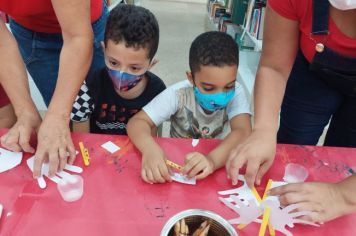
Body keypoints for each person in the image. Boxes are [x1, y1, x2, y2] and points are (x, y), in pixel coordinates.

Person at [226, 0, 356, 222]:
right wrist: (264, 130)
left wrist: (342, 195)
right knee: (292, 147)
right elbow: (273, 67)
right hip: (312, 72)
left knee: (345, 164)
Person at [0, 0, 108, 178]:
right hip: (29, 29)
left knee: (98, 118)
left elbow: (77, 37)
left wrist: (58, 116)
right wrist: (24, 111)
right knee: (61, 124)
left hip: (84, 26)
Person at [127, 31, 252, 184]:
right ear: (191, 78)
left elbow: (243, 131)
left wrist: (212, 160)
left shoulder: (237, 92)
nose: (220, 96)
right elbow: (137, 123)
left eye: (228, 86)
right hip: (179, 168)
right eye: (208, 88)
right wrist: (150, 150)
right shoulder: (178, 94)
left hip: (218, 162)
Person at [71, 4, 166, 135]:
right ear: (104, 51)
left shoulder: (157, 92)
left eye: (134, 68)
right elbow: (81, 140)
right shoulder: (89, 85)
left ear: (151, 64)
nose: (122, 73)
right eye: (114, 63)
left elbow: (152, 139)